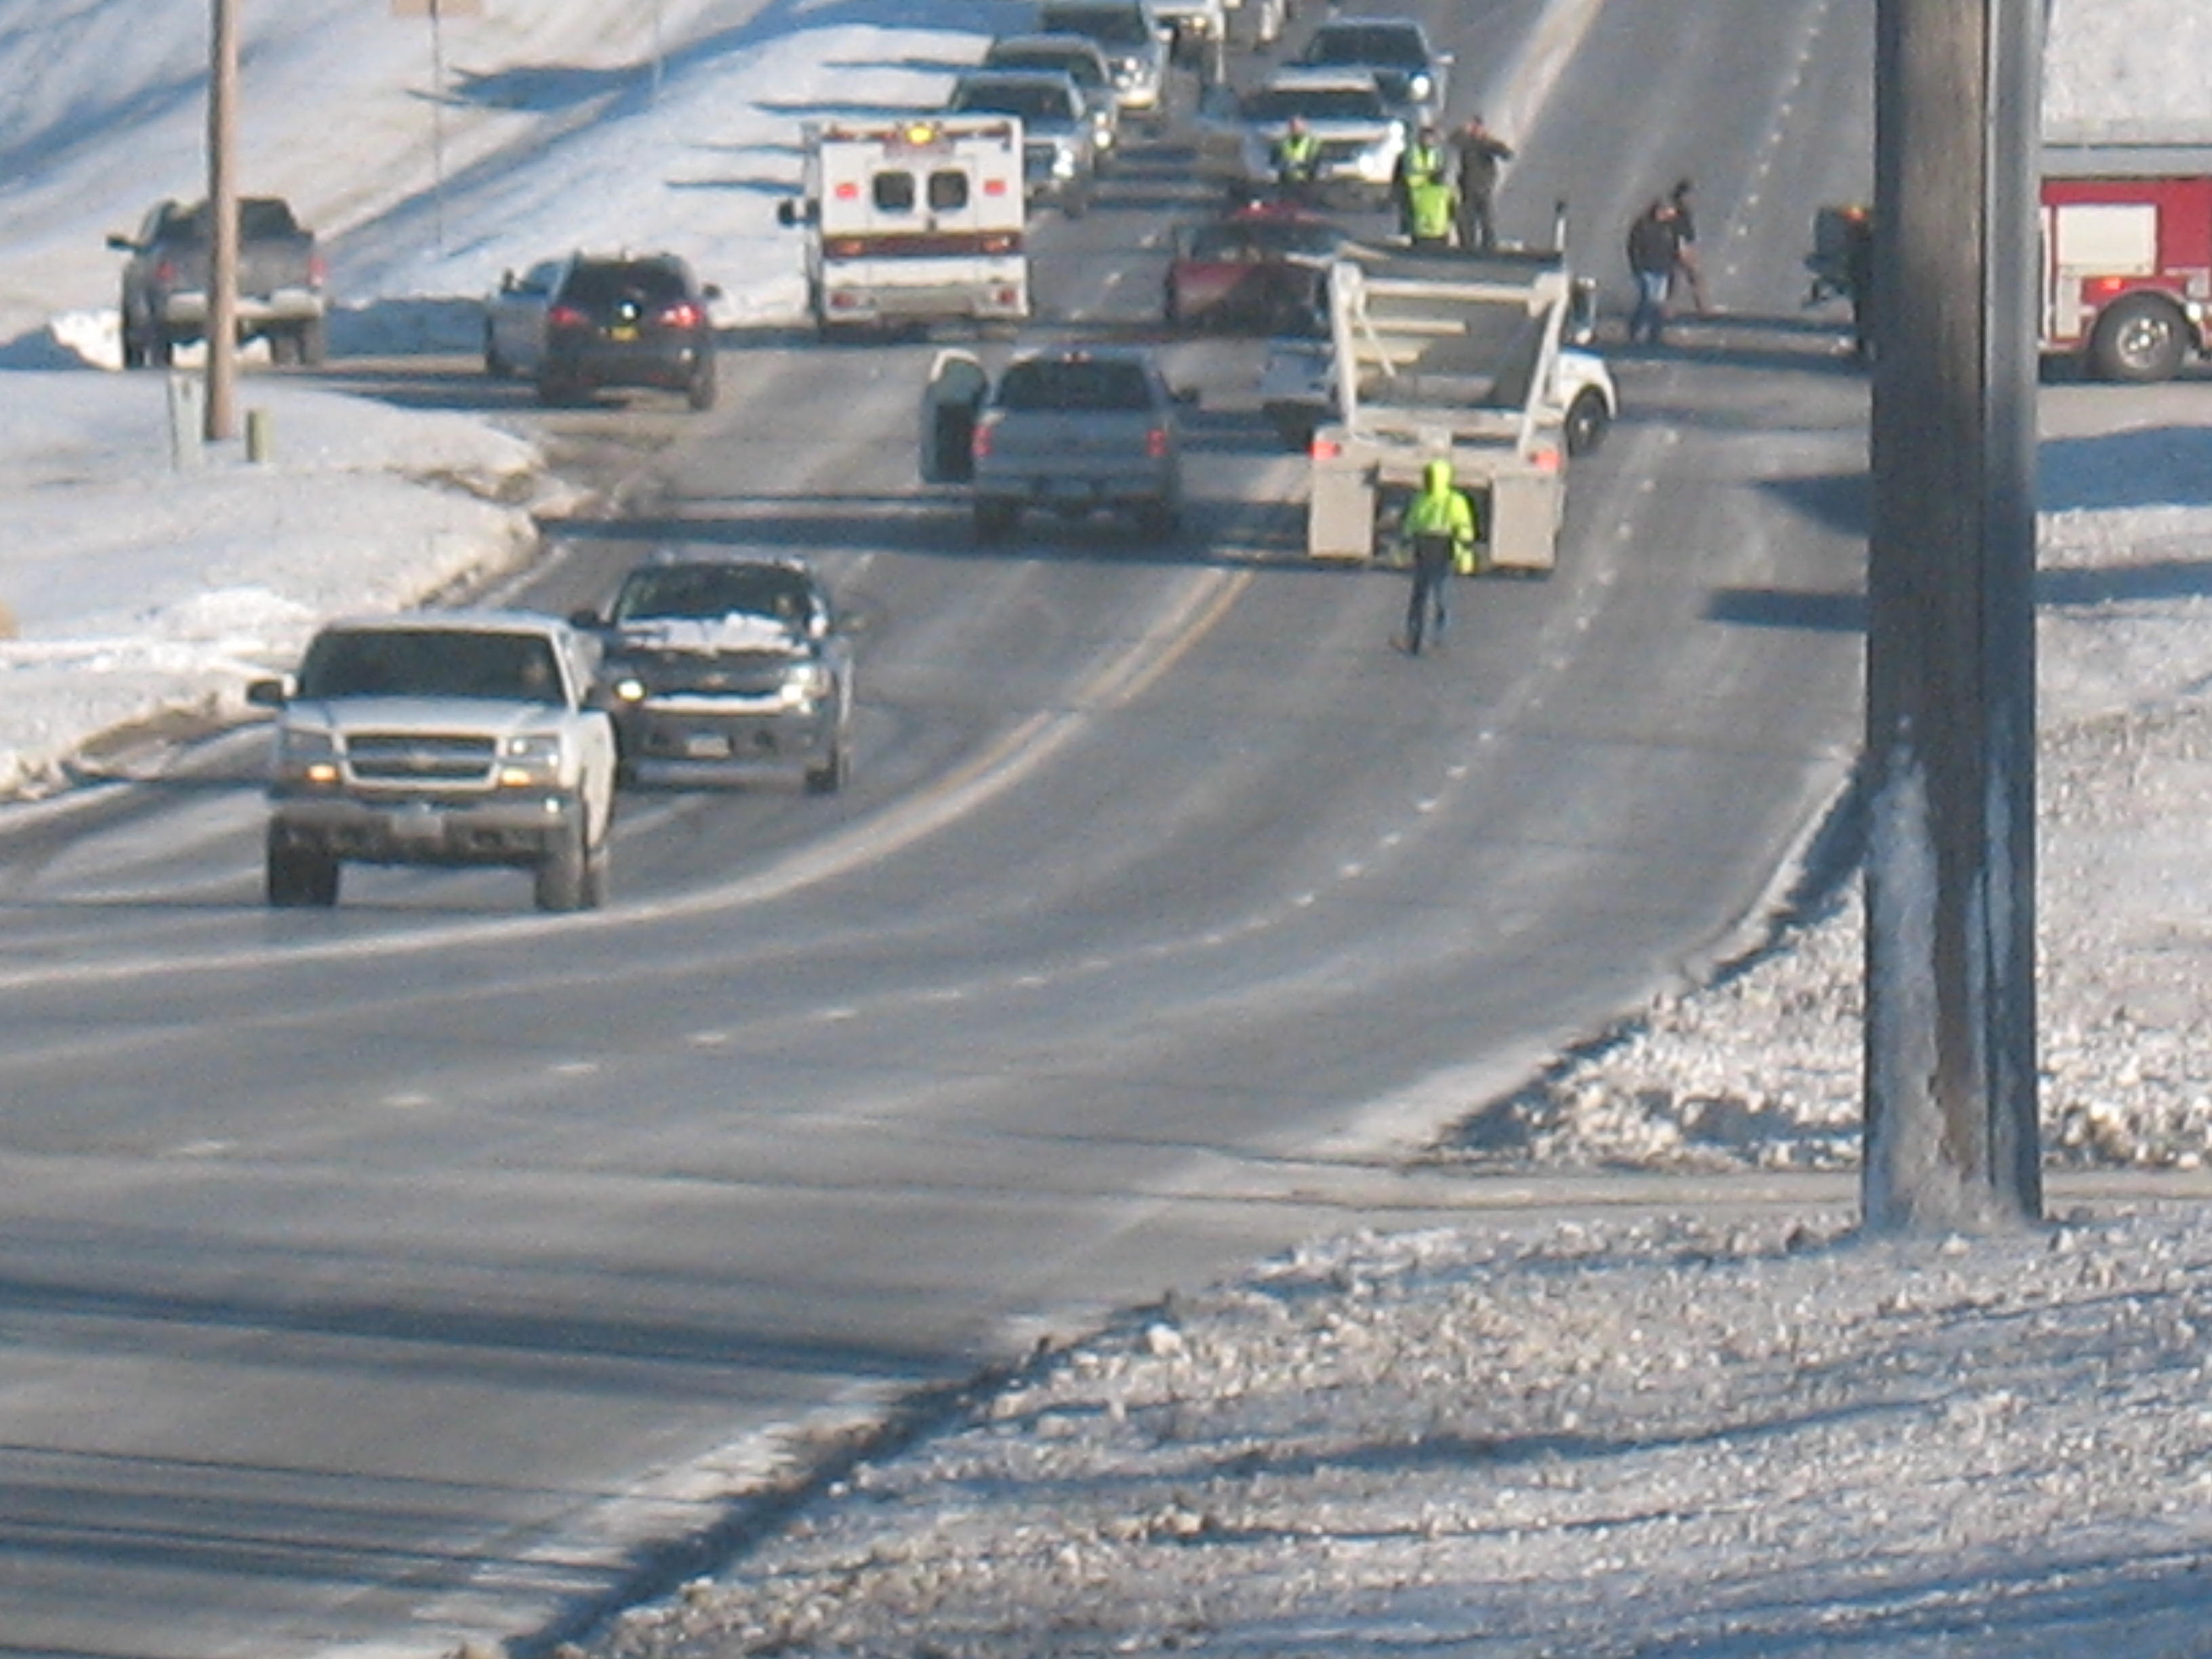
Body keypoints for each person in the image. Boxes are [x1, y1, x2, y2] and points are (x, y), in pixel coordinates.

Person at [1399, 457, 1477, 656]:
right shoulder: (1422, 499)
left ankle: (1436, 638)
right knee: (1421, 596)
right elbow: (1411, 524)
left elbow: (1463, 529)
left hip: (1441, 550)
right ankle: (1415, 636)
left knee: (1439, 596)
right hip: (1424, 551)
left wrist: (1464, 555)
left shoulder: (1453, 501)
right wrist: (1403, 547)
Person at [1624, 196, 1683, 345]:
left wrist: (1673, 266)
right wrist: (1637, 267)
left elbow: (1674, 248)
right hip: (1647, 269)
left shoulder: (1670, 228)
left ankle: (1655, 334)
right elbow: (1634, 247)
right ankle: (1635, 329)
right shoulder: (1643, 226)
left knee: (1659, 304)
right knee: (1648, 302)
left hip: (1663, 269)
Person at [1452, 115, 1515, 251]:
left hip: (1484, 187)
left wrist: (1489, 140)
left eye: (1478, 127)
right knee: (1467, 219)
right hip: (1467, 188)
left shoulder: (1486, 143)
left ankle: (1489, 246)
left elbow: (1507, 154)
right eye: (1473, 127)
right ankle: (1468, 246)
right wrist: (1462, 131)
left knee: (1486, 219)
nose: (1476, 130)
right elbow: (1453, 141)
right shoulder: (1466, 142)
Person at [1392, 123, 1448, 241]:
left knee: (1434, 213)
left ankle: (1436, 232)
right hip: (1413, 188)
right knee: (1411, 214)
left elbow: (1442, 170)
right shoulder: (1410, 153)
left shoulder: (1438, 153)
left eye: (1431, 138)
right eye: (1425, 137)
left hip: (1431, 191)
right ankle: (1410, 233)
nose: (1428, 141)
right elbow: (1404, 171)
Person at [1668, 177, 1709, 314]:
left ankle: (1700, 306)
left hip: (1684, 245)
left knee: (1685, 278)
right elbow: (1679, 230)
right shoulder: (1678, 211)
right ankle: (1701, 307)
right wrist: (1683, 247)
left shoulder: (1678, 208)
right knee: (1692, 276)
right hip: (1681, 246)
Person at [1841, 203, 1876, 361]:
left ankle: (1864, 350)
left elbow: (1858, 262)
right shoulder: (1866, 240)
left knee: (1865, 317)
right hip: (1863, 283)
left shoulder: (1864, 241)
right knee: (1863, 317)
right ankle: (1864, 349)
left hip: (1866, 284)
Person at [1405, 167, 1458, 248]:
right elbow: (1454, 210)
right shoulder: (1446, 191)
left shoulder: (1417, 191)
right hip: (1440, 232)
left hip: (1420, 232)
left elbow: (1409, 211)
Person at [1273, 115, 1319, 199]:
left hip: (1306, 182)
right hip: (1286, 182)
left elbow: (1315, 161)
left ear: (1305, 126)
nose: (1295, 129)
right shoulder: (1283, 141)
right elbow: (1274, 160)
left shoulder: (1311, 142)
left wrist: (1297, 165)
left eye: (1297, 126)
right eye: (1292, 126)